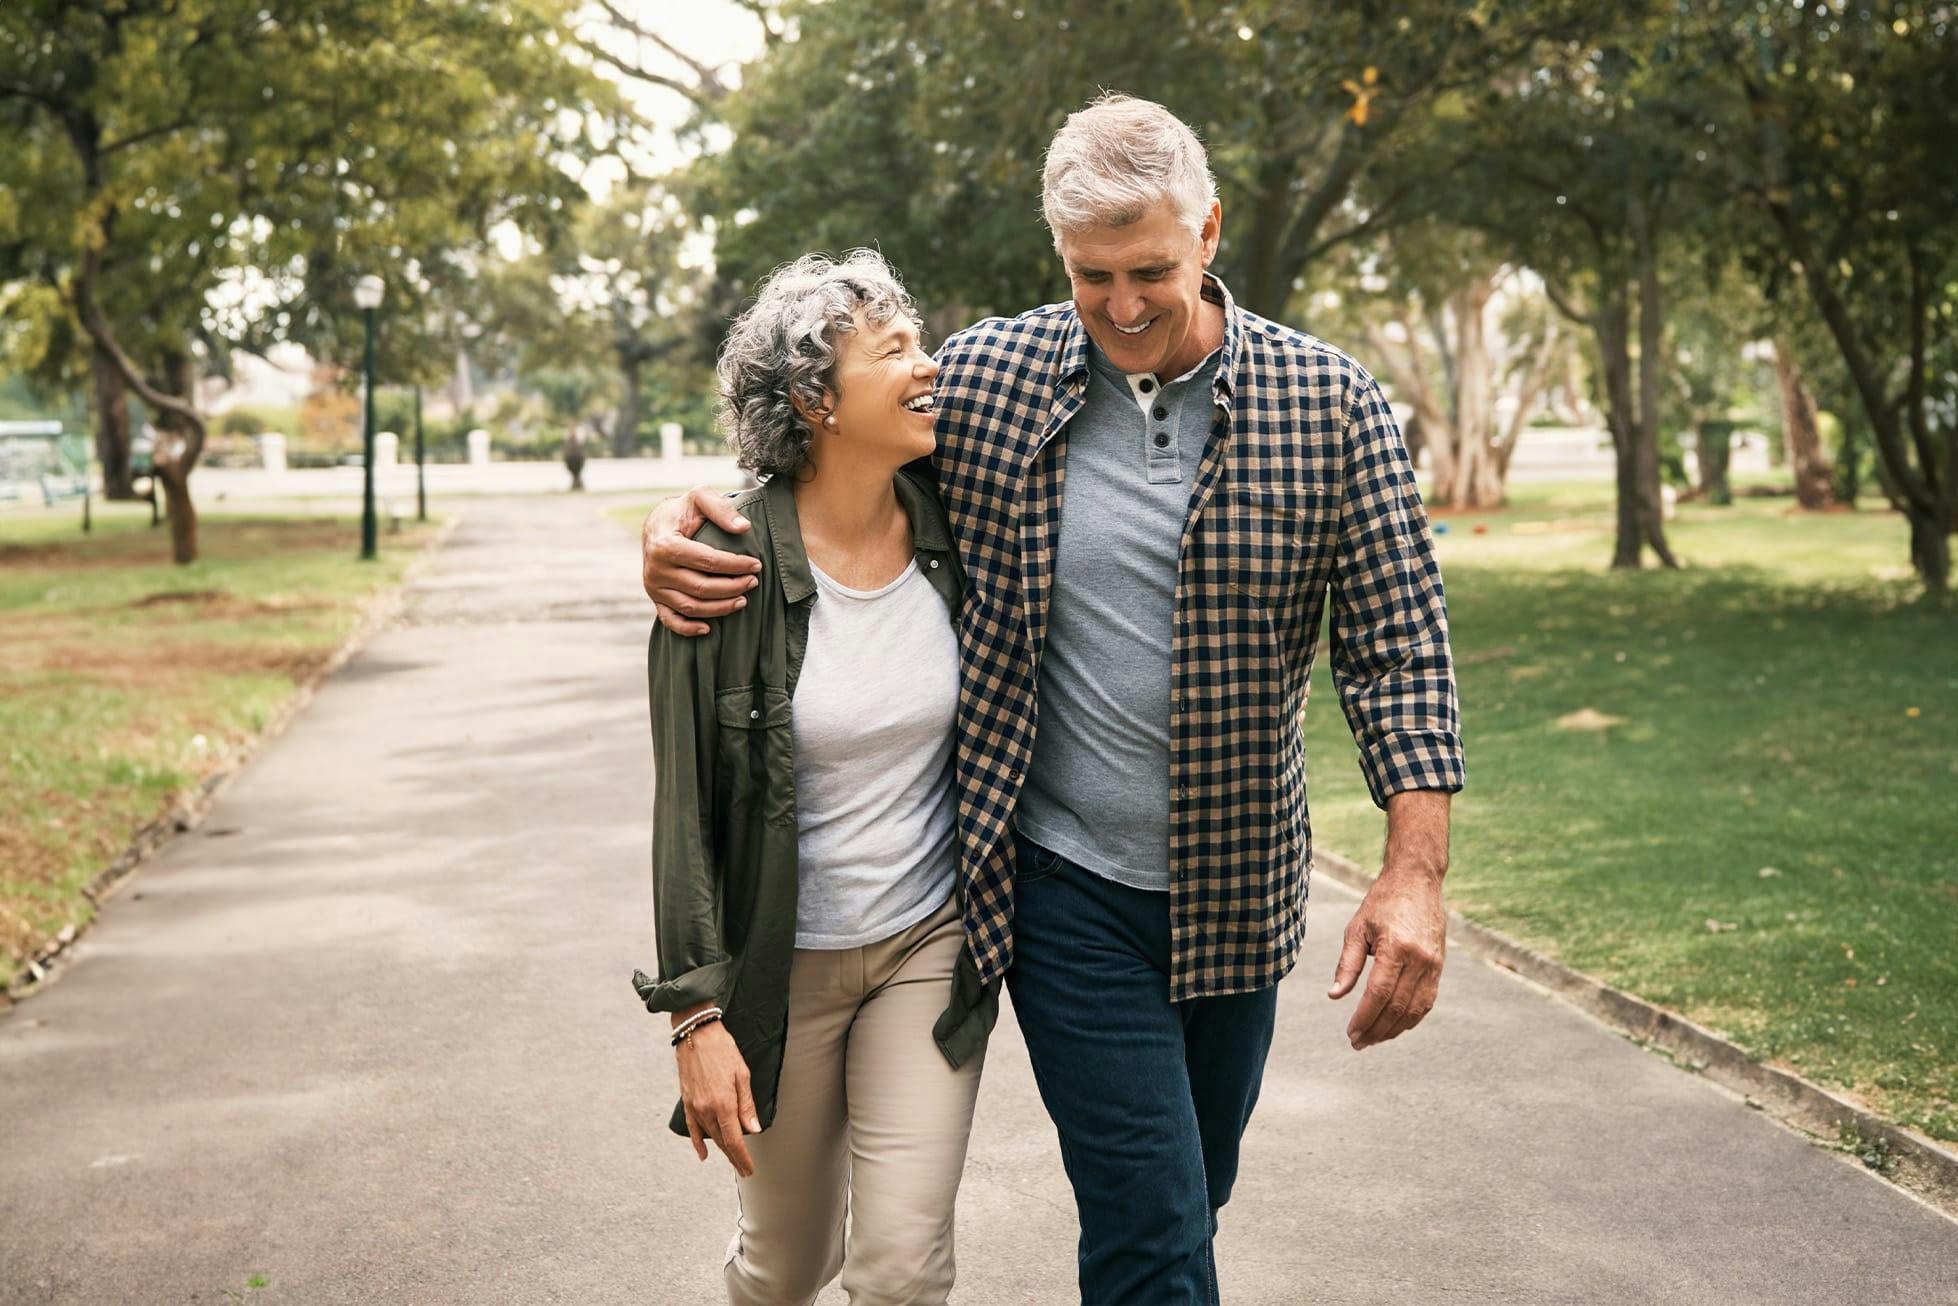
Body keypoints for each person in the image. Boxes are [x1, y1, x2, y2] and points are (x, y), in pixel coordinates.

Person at [641, 95, 1465, 1306]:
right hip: (1061, 886)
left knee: (1191, 1196)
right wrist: (673, 526)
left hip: (1239, 888)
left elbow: (1399, 650)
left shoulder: (1329, 405)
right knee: (1147, 1218)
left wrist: (1413, 874)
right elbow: (820, 452)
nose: (1123, 305)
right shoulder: (987, 379)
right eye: (1091, 276)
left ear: (1209, 232)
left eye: (1150, 271)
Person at [629, 250, 998, 1306]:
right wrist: (694, 1020)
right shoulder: (718, 565)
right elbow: (682, 813)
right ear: (813, 399)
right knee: (785, 1268)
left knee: (899, 1270)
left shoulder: (956, 525)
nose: (929, 368)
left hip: (927, 947)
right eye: (894, 352)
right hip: (775, 969)